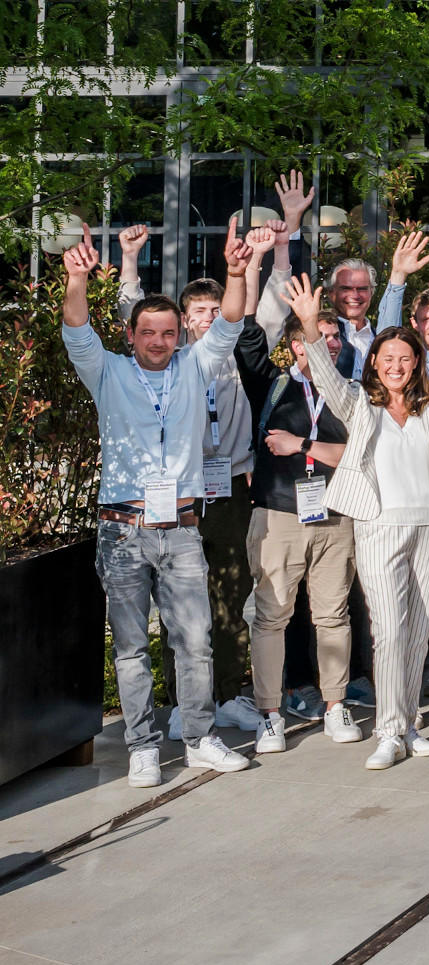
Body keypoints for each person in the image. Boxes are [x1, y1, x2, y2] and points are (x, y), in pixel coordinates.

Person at [62, 232, 258, 786]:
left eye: (168, 332)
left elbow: (228, 325)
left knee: (193, 641)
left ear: (179, 336)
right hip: (122, 530)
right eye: (147, 331)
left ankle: (197, 738)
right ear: (130, 335)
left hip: (182, 530)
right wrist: (76, 280)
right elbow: (77, 333)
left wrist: (237, 272)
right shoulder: (110, 374)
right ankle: (142, 745)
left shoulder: (195, 366)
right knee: (129, 647)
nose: (158, 340)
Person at [283, 277, 429, 768]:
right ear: (375, 365)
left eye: (406, 359)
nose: (398, 367)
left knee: (419, 630)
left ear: (416, 364)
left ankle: (408, 724)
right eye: (388, 360)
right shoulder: (360, 404)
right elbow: (328, 379)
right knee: (388, 629)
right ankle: (387, 731)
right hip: (379, 526)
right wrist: (307, 326)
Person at [246, 262, 363, 752]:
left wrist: (301, 446)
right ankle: (269, 713)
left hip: (335, 516)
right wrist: (259, 262)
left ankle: (335, 706)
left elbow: (360, 455)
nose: (331, 344)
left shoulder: (353, 392)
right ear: (298, 343)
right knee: (272, 615)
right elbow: (247, 335)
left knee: (333, 615)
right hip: (277, 515)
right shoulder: (271, 384)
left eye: (336, 338)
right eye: (321, 336)